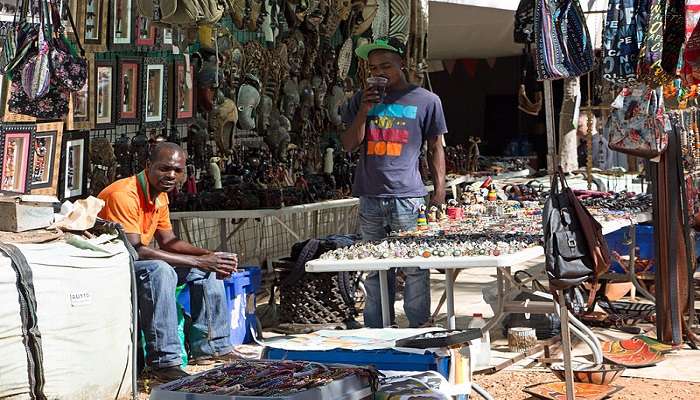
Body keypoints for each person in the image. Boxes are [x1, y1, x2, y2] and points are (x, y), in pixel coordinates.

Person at [98, 142, 239, 380]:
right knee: (160, 270)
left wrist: (210, 256)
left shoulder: (160, 196)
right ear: (148, 166)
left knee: (207, 270)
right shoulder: (123, 194)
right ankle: (164, 363)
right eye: (164, 169)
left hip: (137, 260)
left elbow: (169, 241)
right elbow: (135, 250)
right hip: (112, 265)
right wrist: (199, 261)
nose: (171, 175)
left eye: (177, 171)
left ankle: (213, 347)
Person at [341, 37, 447, 328]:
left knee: (415, 267)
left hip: (409, 198)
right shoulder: (359, 100)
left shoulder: (427, 100)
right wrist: (364, 110)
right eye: (373, 67)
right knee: (375, 268)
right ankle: (378, 330)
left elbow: (436, 147)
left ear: (402, 63)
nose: (380, 72)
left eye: (386, 65)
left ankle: (418, 326)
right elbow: (349, 144)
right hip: (370, 197)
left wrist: (439, 190)